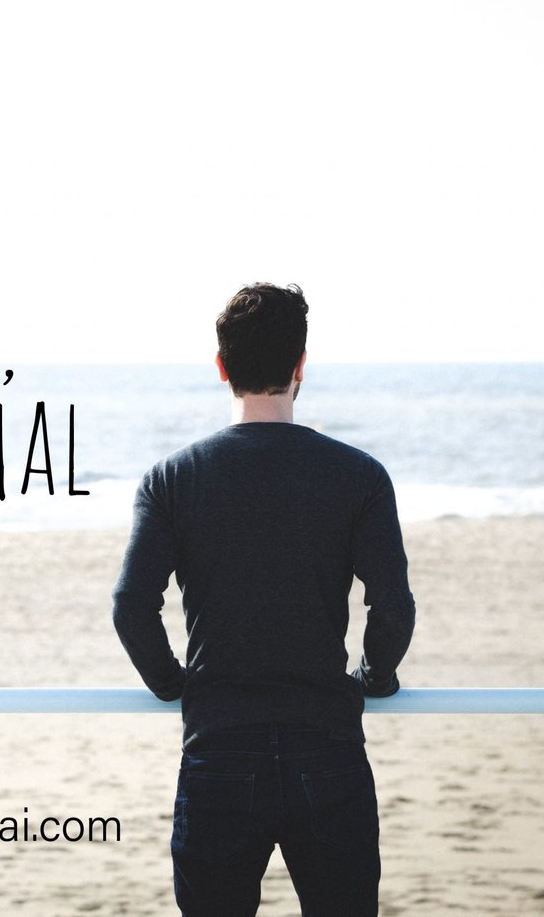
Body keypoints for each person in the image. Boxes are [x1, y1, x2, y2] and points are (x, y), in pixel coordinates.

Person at [112, 282, 416, 917]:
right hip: (327, 748)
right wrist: (376, 675)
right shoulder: (358, 475)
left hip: (219, 748)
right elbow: (392, 605)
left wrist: (174, 684)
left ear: (222, 367)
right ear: (300, 366)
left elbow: (131, 605)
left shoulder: (173, 479)